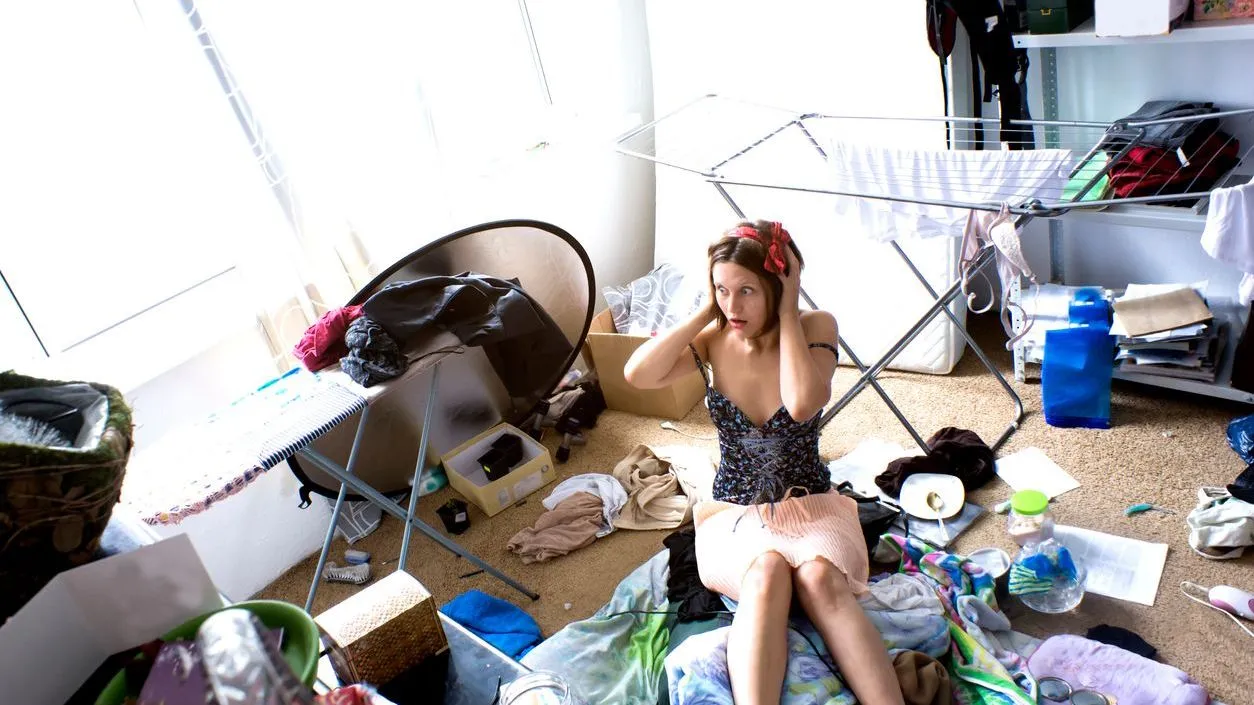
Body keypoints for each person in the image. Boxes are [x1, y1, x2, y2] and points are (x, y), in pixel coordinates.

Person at [624, 221, 903, 705]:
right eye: (723, 290)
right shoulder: (712, 338)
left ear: (778, 285)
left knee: (818, 577)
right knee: (767, 571)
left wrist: (789, 311)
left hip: (812, 506)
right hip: (735, 514)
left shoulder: (816, 325)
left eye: (747, 291)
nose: (733, 306)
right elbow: (637, 374)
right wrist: (706, 309)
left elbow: (803, 403)